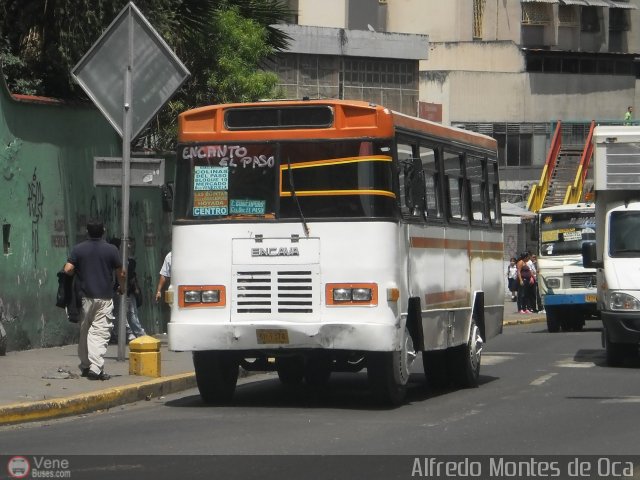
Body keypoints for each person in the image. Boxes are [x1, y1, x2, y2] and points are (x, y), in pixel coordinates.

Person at [64, 219, 123, 381]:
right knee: (99, 332)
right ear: (103, 231)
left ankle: (85, 365)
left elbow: (68, 269)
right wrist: (122, 287)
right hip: (104, 297)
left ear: (87, 232)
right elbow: (121, 273)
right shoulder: (111, 250)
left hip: (84, 297)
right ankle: (96, 368)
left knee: (84, 331)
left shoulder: (78, 249)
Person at [108, 238, 146, 343]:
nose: (128, 246)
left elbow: (128, 276)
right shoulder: (118, 260)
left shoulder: (128, 260)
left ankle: (134, 333)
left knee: (129, 312)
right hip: (120, 290)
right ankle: (132, 333)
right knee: (123, 313)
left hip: (125, 290)